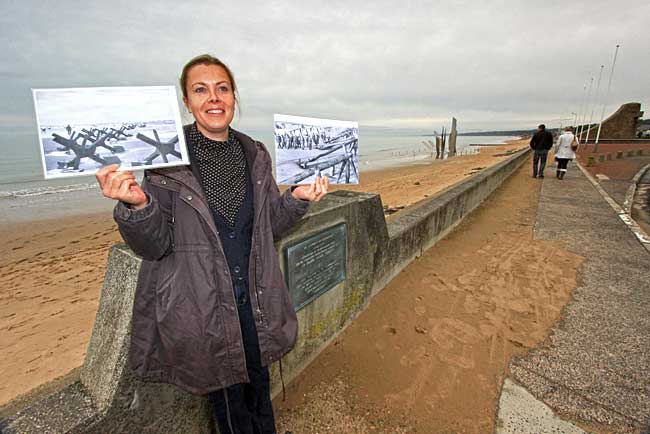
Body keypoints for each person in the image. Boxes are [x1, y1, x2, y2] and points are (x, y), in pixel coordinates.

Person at [95, 54, 329, 434]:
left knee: (260, 392)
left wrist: (298, 197)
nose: (214, 98)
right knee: (230, 410)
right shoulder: (165, 160)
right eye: (200, 90)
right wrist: (136, 204)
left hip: (256, 302)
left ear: (234, 96)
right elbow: (153, 245)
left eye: (222, 88)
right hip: (204, 308)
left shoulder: (255, 153)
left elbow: (270, 225)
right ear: (186, 102)